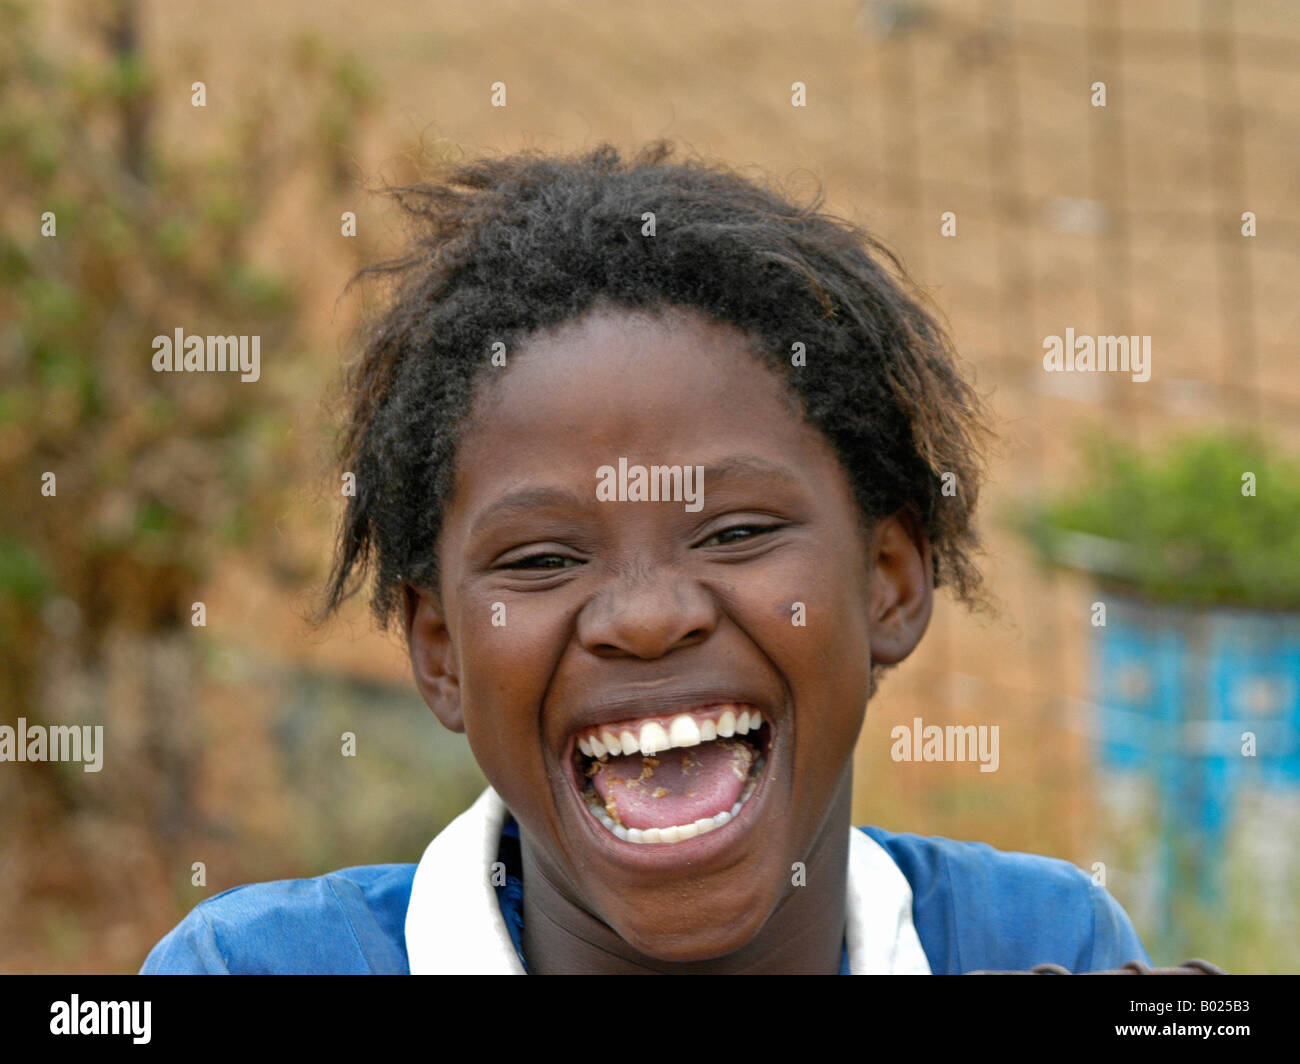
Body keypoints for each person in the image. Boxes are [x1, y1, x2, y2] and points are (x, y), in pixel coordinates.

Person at [141, 141, 1150, 974]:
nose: (645, 613)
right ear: (440, 647)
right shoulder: (256, 966)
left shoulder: (1037, 942)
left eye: (737, 532)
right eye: (540, 558)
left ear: (889, 578)